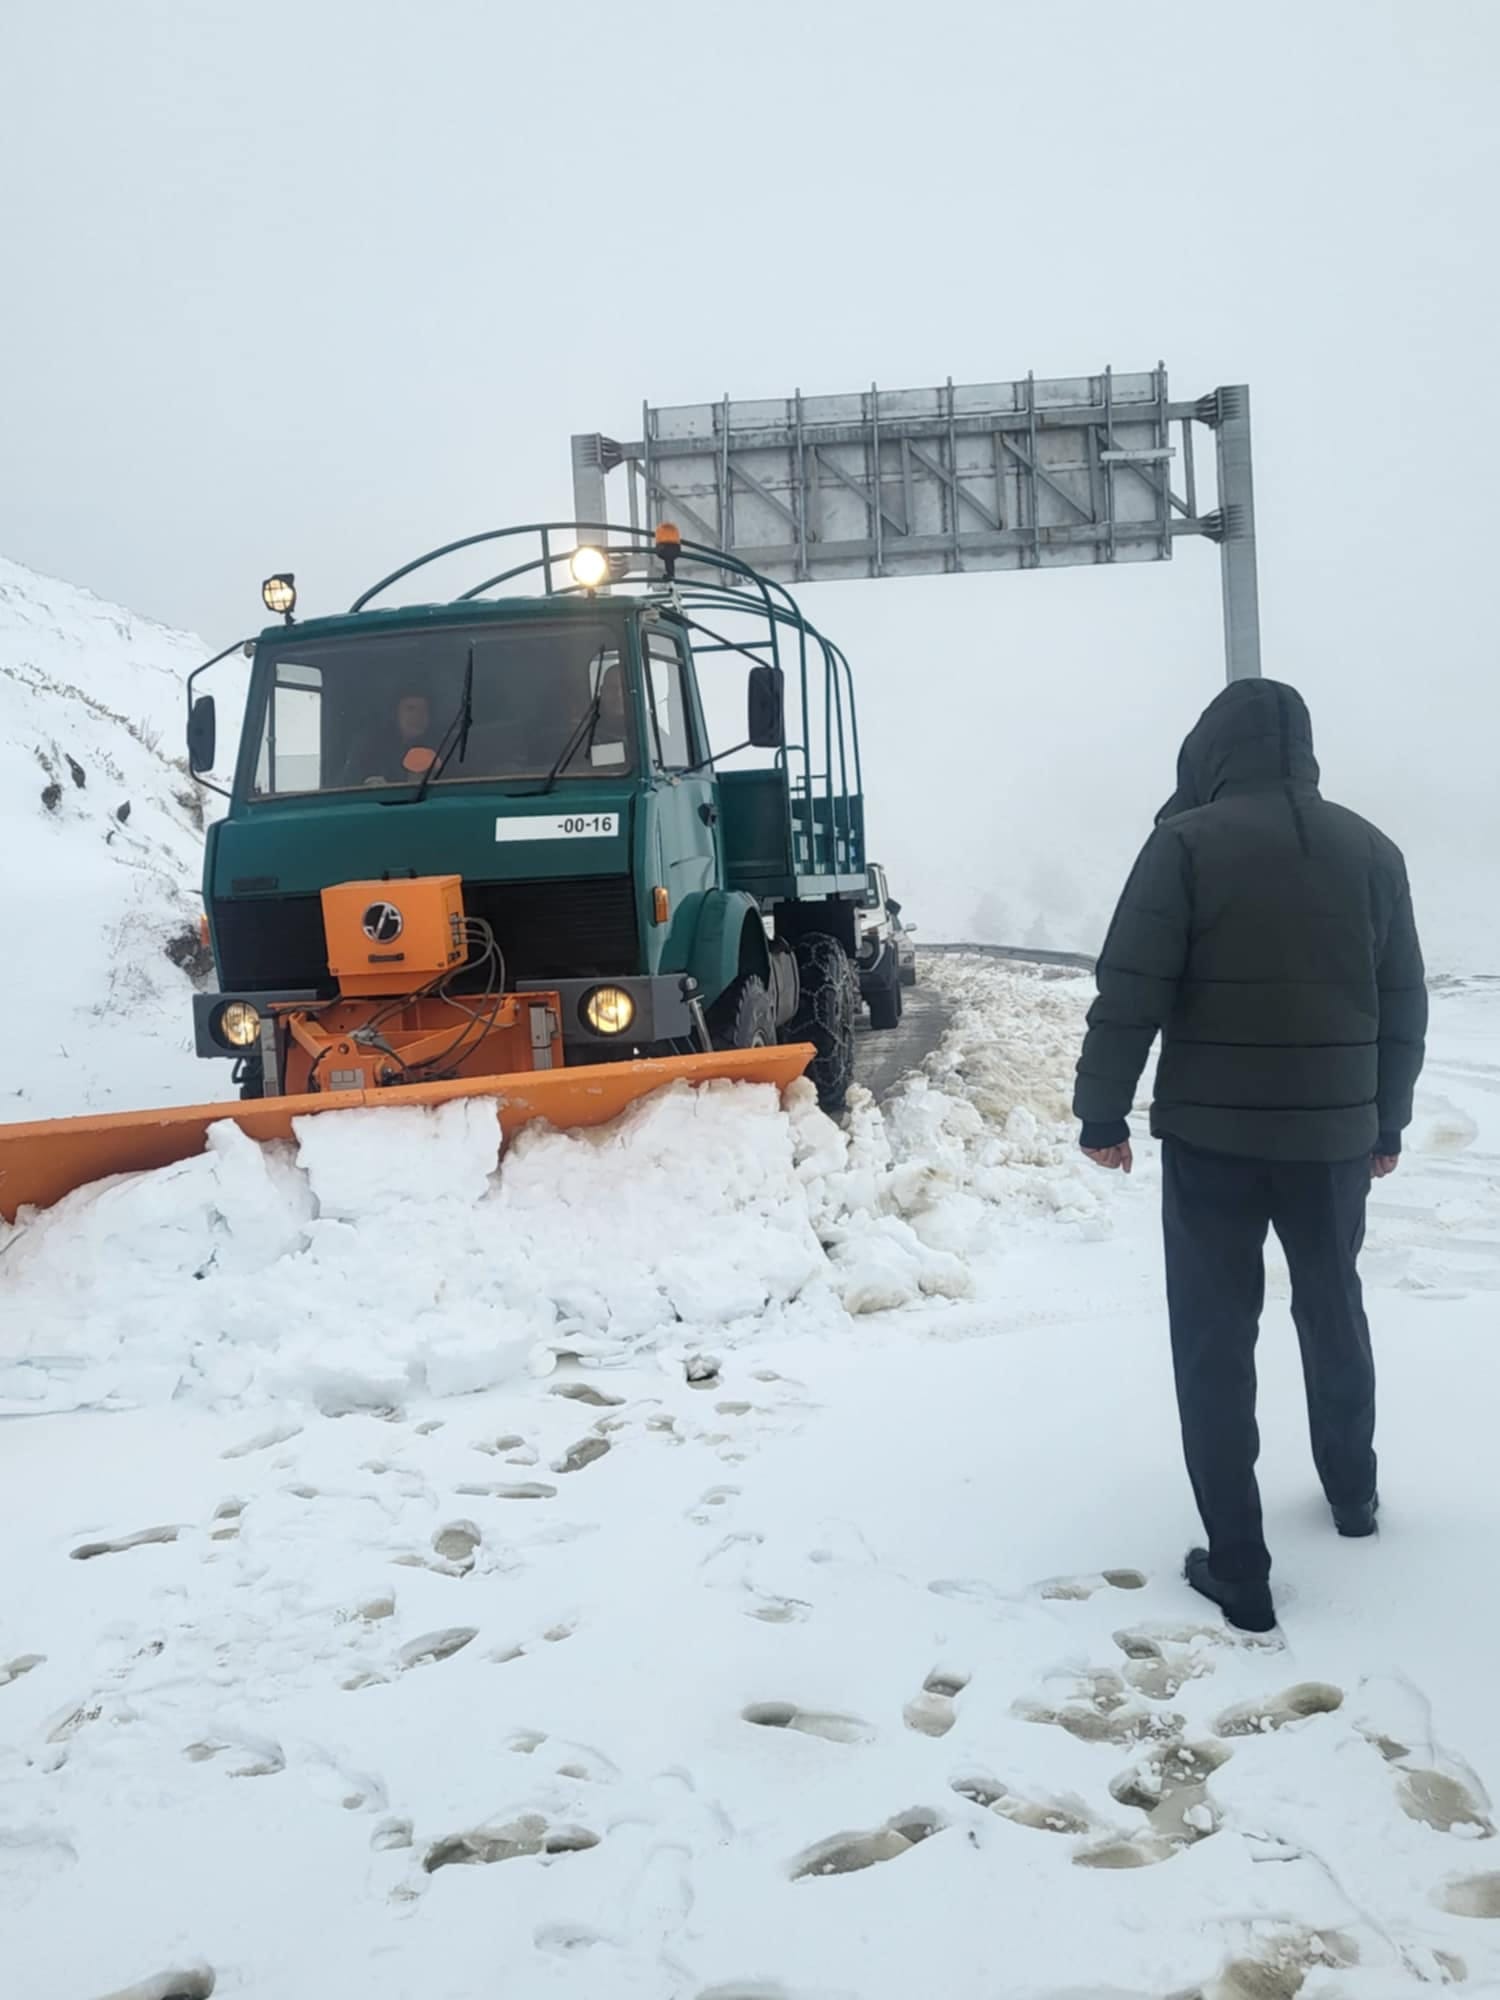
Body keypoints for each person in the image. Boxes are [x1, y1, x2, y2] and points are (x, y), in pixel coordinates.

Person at [1074, 679, 1427, 1633]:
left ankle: (1240, 1566)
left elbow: (1130, 987)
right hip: (1332, 1143)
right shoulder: (1372, 849)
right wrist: (1384, 1123)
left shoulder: (1184, 843)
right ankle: (1354, 1497)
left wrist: (1101, 1111)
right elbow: (1403, 1005)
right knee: (1333, 1306)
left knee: (1215, 1339)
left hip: (1214, 1142)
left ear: (1211, 752)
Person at [339, 690, 434, 787]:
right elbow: (347, 788)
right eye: (410, 709)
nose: (418, 716)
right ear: (396, 713)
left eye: (424, 710)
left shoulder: (441, 747)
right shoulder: (370, 747)